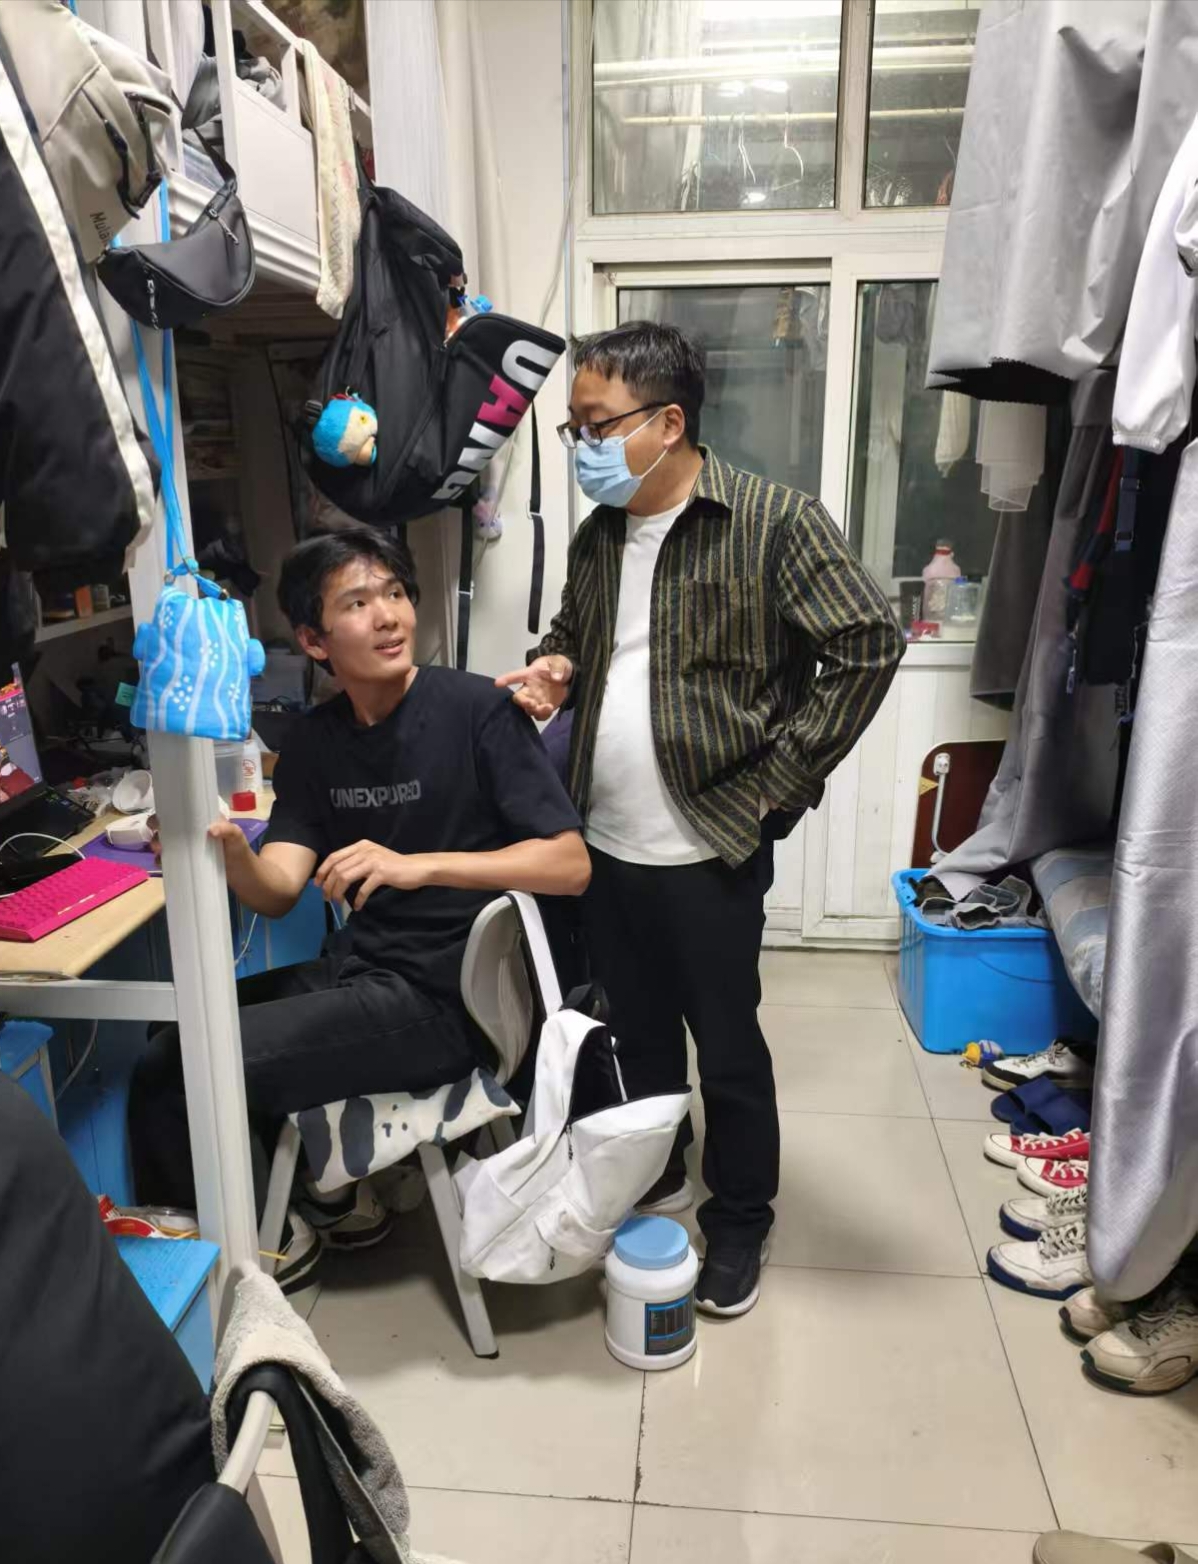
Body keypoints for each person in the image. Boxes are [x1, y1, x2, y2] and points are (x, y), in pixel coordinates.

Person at [498, 321, 904, 1318]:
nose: (583, 444)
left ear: (668, 422)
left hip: (710, 842)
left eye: (596, 424)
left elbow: (868, 641)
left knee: (726, 1046)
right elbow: (577, 631)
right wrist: (555, 666)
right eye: (575, 427)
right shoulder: (603, 532)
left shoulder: (772, 521)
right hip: (604, 839)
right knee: (635, 1030)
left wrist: (780, 781)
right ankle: (659, 1165)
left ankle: (741, 1219)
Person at [130, 523, 589, 1289]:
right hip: (365, 973)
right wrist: (230, 849)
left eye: (395, 593)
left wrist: (416, 867)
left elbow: (569, 865)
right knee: (169, 1036)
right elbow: (280, 889)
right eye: (358, 602)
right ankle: (314, 1209)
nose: (388, 615)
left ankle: (260, 1252)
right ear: (314, 641)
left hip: (449, 1001)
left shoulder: (476, 709)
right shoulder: (315, 743)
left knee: (186, 1060)